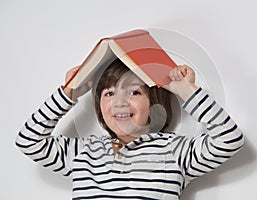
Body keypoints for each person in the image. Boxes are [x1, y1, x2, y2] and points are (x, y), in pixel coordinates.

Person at [16, 58, 244, 200]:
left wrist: (186, 91)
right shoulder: (84, 153)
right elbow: (28, 141)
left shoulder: (173, 151)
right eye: (109, 93)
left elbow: (229, 140)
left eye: (134, 92)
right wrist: (68, 94)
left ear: (154, 102)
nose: (119, 102)